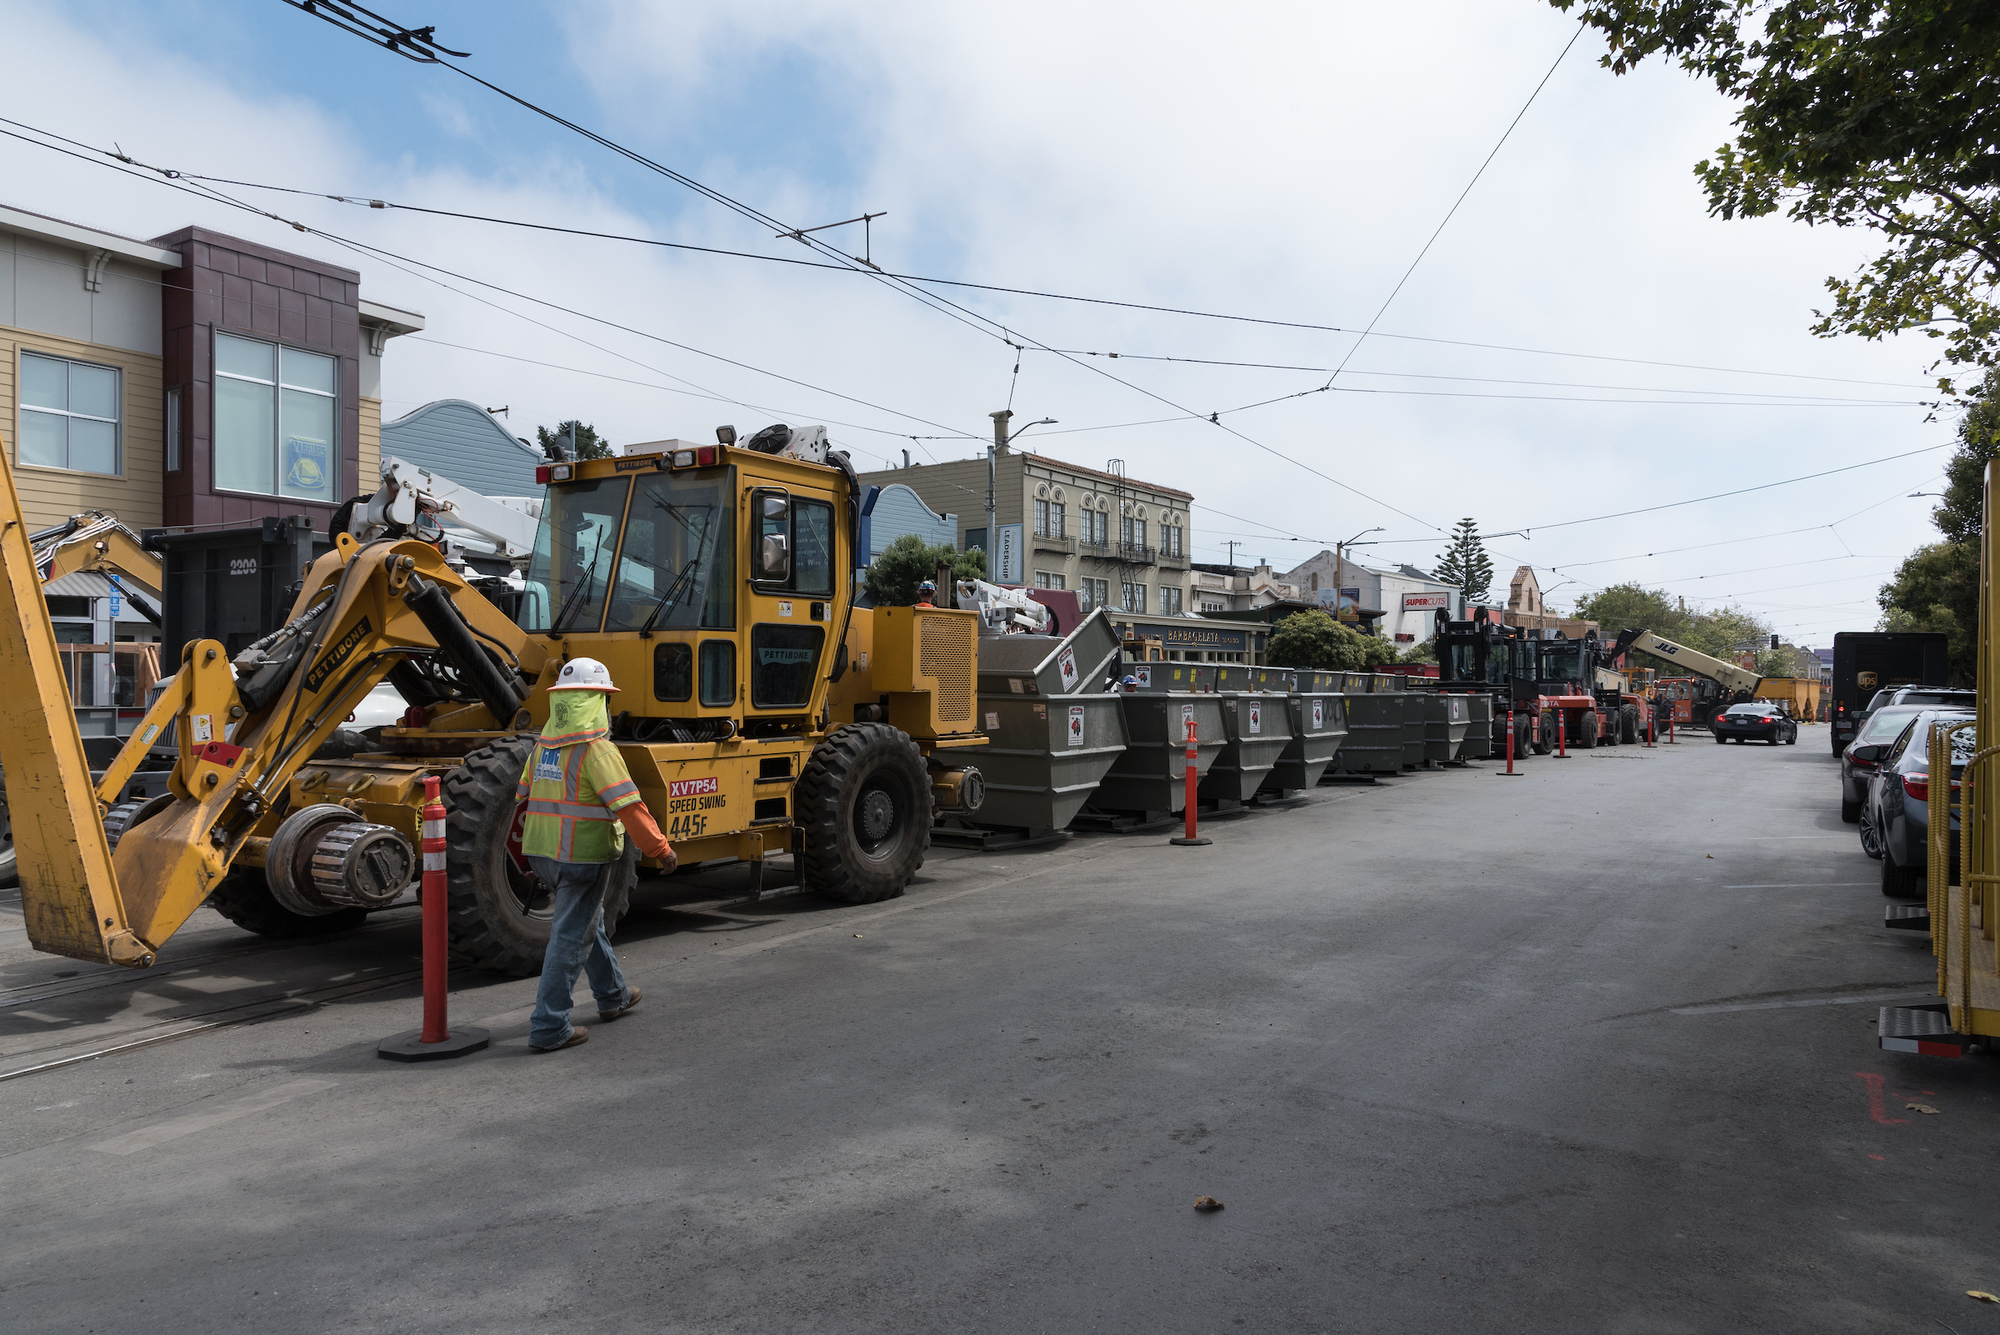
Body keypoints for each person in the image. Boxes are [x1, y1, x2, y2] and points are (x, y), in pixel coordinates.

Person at [515, 657, 676, 1053]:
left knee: (589, 922)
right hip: (582, 857)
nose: (607, 707)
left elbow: (521, 802)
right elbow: (629, 807)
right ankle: (549, 1026)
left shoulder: (543, 749)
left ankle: (613, 994)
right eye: (604, 699)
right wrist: (661, 849)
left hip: (543, 856)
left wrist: (526, 862)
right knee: (571, 939)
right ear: (593, 702)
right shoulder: (597, 750)